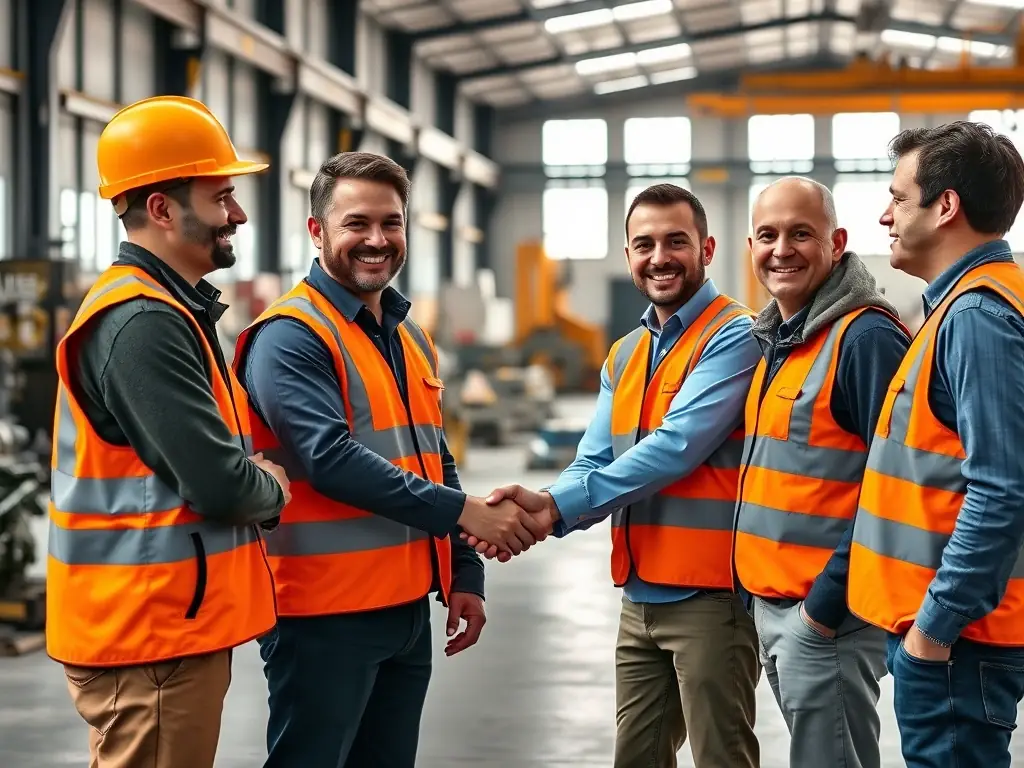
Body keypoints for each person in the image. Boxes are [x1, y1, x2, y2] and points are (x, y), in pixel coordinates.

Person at [231, 151, 548, 768]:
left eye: (391, 223)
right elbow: (329, 458)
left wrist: (463, 571)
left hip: (403, 608)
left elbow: (433, 455)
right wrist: (465, 513)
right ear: (317, 231)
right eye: (356, 224)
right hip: (323, 616)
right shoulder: (291, 336)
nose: (377, 240)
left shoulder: (407, 333)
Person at [471, 183, 763, 768]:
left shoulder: (736, 335)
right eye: (644, 244)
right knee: (635, 758)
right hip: (639, 594)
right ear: (628, 255)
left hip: (711, 597)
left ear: (705, 247)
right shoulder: (627, 353)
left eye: (675, 241)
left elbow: (674, 448)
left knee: (721, 758)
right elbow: (595, 457)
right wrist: (539, 509)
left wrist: (553, 506)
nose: (659, 257)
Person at [46, 95, 291, 768]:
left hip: (156, 628)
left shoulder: (167, 311)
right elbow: (220, 484)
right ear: (161, 208)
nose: (236, 215)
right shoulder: (142, 322)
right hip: (149, 633)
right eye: (222, 197)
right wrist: (269, 485)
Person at [849, 121, 1024, 768]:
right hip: (955, 634)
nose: (884, 214)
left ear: (945, 206)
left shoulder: (977, 318)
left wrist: (934, 629)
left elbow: (1003, 491)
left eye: (898, 197)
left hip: (958, 641)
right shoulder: (960, 308)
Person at [733, 177, 910, 768]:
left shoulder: (864, 339)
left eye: (800, 233)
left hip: (824, 618)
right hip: (777, 610)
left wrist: (823, 611)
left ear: (836, 242)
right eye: (767, 234)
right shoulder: (782, 340)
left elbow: (894, 493)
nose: (781, 248)